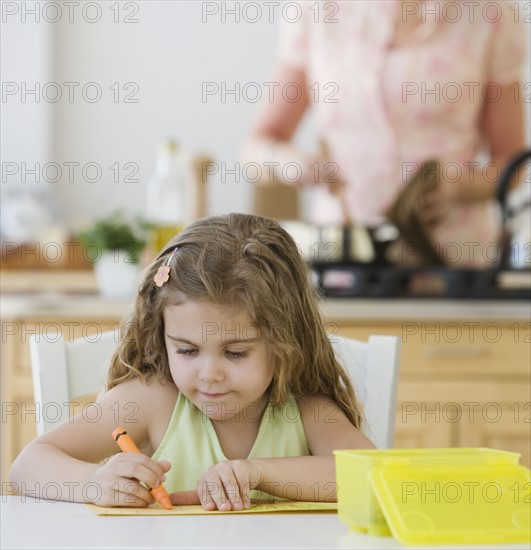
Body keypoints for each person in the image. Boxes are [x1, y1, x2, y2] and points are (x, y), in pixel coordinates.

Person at [9, 213, 374, 510]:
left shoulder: (306, 409)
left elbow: (369, 476)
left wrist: (255, 473)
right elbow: (28, 466)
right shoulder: (153, 401)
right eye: (186, 350)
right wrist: (93, 484)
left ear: (284, 343)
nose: (210, 375)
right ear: (162, 334)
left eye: (235, 353)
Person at [243, 0, 528, 267]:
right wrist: (289, 163)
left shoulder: (491, 15)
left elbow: (513, 165)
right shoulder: (316, 10)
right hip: (341, 255)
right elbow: (254, 150)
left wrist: (461, 186)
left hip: (455, 260)